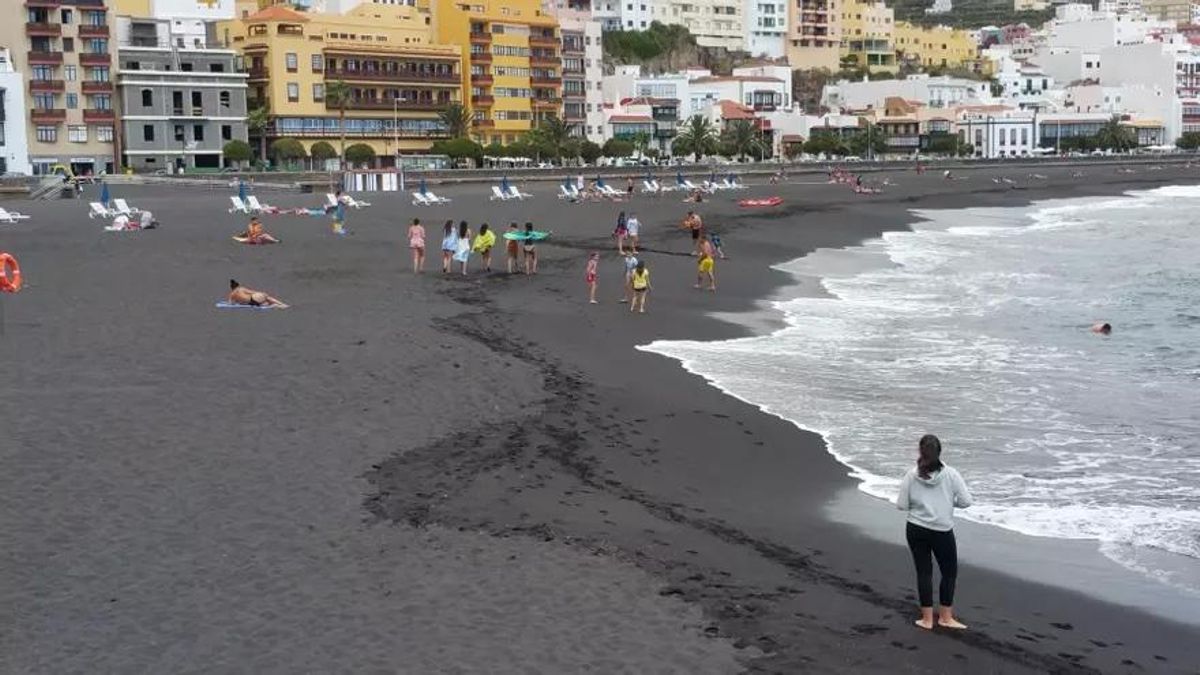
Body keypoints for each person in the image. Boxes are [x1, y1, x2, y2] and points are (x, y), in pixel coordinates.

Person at [895, 434, 972, 631]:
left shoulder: (911, 475)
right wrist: (946, 503)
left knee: (924, 572)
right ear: (940, 452)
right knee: (949, 573)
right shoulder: (952, 474)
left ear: (920, 451)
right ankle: (946, 617)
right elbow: (966, 501)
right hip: (941, 530)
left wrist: (920, 505)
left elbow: (902, 505)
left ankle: (927, 619)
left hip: (916, 528)